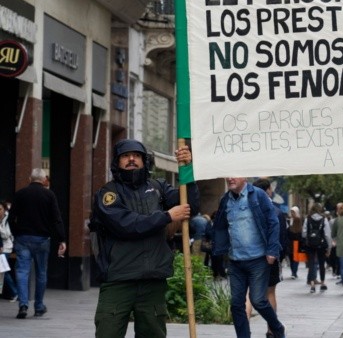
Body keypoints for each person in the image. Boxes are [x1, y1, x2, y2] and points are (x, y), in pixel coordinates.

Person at [89, 140, 197, 337]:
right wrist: (166, 216)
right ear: (117, 161)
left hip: (152, 281)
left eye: (137, 155)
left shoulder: (159, 188)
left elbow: (189, 205)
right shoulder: (108, 194)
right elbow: (126, 225)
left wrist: (187, 168)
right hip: (119, 280)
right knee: (108, 333)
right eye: (125, 156)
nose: (132, 159)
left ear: (144, 160)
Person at [211, 177, 285, 338]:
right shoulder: (225, 199)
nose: (230, 178)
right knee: (237, 304)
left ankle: (277, 328)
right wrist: (220, 247)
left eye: (234, 174)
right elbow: (221, 226)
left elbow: (273, 222)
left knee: (258, 300)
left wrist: (272, 250)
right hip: (235, 261)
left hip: (258, 260)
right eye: (227, 175)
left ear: (243, 176)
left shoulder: (258, 195)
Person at [8, 169, 66, 319]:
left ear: (30, 178)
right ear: (44, 179)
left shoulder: (20, 194)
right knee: (41, 273)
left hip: (23, 238)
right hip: (42, 239)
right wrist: (61, 239)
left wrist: (16, 234)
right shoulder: (49, 195)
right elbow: (56, 219)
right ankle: (39, 306)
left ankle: (23, 305)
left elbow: (11, 217)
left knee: (22, 272)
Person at [251, 178, 288, 338]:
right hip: (270, 257)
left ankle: (245, 331)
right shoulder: (277, 211)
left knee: (247, 294)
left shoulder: (248, 208)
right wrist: (281, 256)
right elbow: (282, 239)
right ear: (269, 190)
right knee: (270, 293)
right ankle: (272, 330)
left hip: (250, 256)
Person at [303, 203, 332, 293]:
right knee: (321, 263)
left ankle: (312, 284)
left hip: (310, 244)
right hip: (321, 244)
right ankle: (322, 283)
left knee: (311, 263)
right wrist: (329, 248)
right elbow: (327, 234)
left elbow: (304, 233)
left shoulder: (307, 219)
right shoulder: (324, 219)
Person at [0, 200, 20, 301]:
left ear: (4, 209)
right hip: (3, 247)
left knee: (3, 271)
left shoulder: (7, 219)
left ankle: (14, 292)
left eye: (0, 209)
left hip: (6, 247)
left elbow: (6, 235)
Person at [287, 206, 303, 279]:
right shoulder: (290, 220)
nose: (292, 213)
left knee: (295, 257)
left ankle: (294, 272)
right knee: (291, 257)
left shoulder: (298, 219)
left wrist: (290, 230)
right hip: (290, 241)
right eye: (291, 212)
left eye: (293, 212)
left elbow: (297, 231)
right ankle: (293, 272)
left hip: (296, 241)